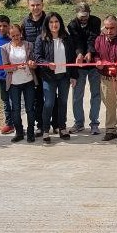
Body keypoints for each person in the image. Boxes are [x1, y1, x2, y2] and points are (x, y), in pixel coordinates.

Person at [32, 12, 77, 143]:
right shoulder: (41, 39)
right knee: (49, 103)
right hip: (48, 77)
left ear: (60, 23)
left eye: (56, 22)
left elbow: (72, 59)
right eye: (51, 22)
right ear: (47, 24)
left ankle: (62, 127)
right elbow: (37, 57)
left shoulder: (67, 38)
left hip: (64, 76)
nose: (54, 25)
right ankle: (46, 130)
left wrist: (73, 75)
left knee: (63, 102)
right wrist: (47, 64)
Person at [68, 2, 102, 135]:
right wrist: (79, 53)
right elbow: (76, 40)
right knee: (77, 95)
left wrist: (90, 52)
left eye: (86, 15)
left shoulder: (95, 21)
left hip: (93, 64)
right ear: (77, 14)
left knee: (96, 94)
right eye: (81, 16)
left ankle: (94, 123)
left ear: (89, 13)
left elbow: (93, 38)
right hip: (79, 64)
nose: (84, 18)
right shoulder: (72, 25)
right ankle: (78, 122)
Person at [0, 23, 37, 143]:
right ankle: (19, 132)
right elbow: (5, 68)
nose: (16, 37)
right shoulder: (5, 48)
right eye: (13, 35)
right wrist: (16, 67)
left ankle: (31, 132)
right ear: (9, 36)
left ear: (21, 33)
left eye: (18, 34)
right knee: (15, 109)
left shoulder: (28, 45)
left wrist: (32, 63)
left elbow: (34, 62)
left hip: (28, 81)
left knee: (30, 108)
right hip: (14, 83)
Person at [21, 0, 48, 135]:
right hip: (32, 67)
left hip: (48, 65)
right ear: (28, 6)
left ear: (42, 5)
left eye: (38, 4)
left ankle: (54, 124)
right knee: (37, 97)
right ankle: (40, 125)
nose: (35, 7)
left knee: (50, 96)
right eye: (32, 5)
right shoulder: (25, 22)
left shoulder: (49, 20)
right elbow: (21, 43)